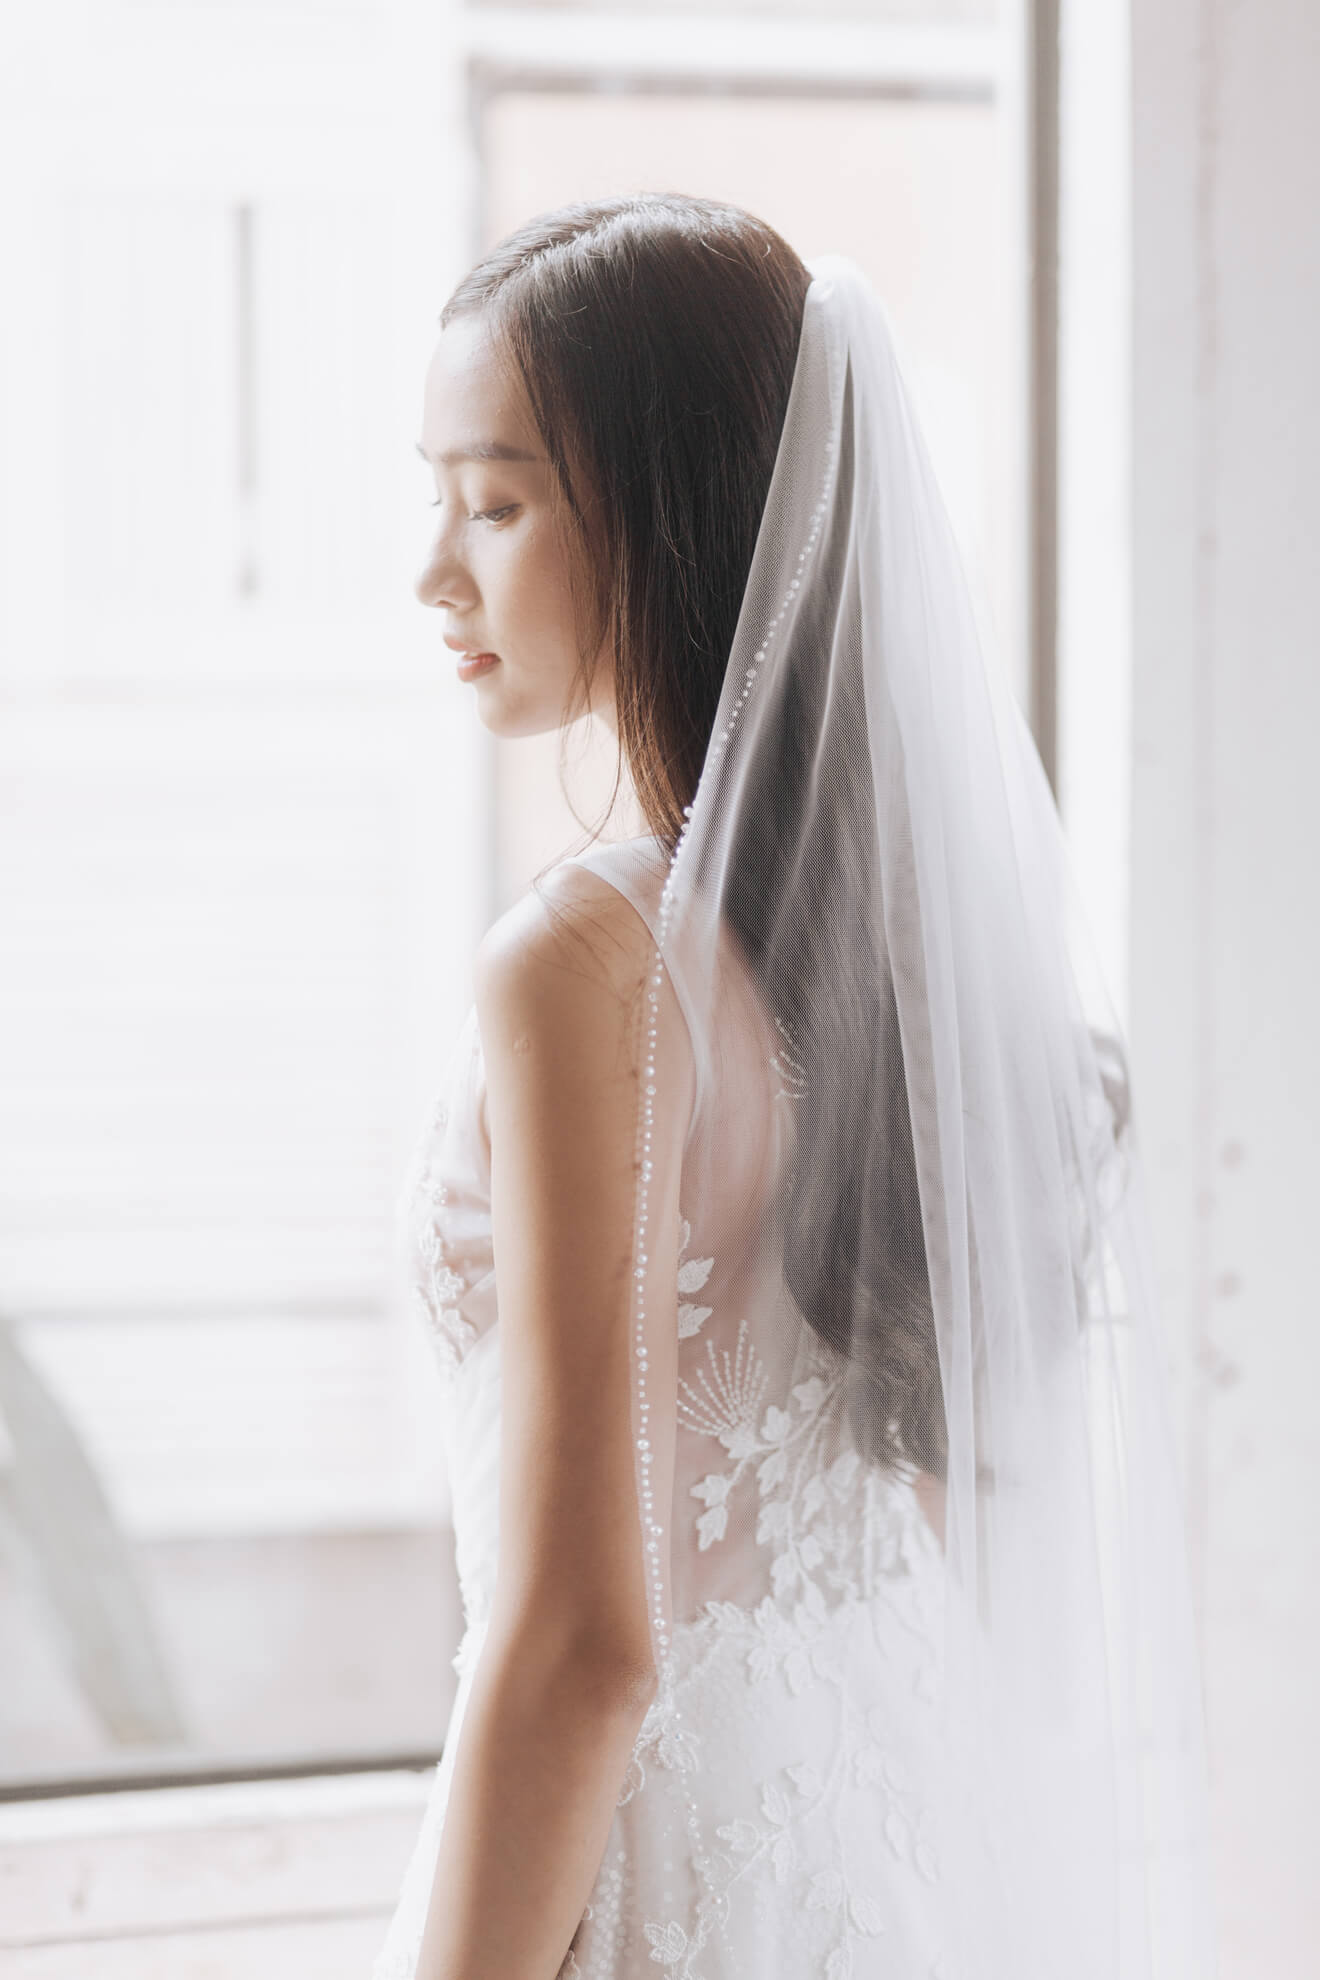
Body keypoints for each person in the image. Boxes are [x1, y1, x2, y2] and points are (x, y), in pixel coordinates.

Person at [371, 194, 1216, 1980]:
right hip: (879, 1857)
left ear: (671, 517)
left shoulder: (578, 969)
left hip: (666, 1870)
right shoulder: (893, 962)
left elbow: (584, 1643)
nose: (435, 570)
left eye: (498, 501)